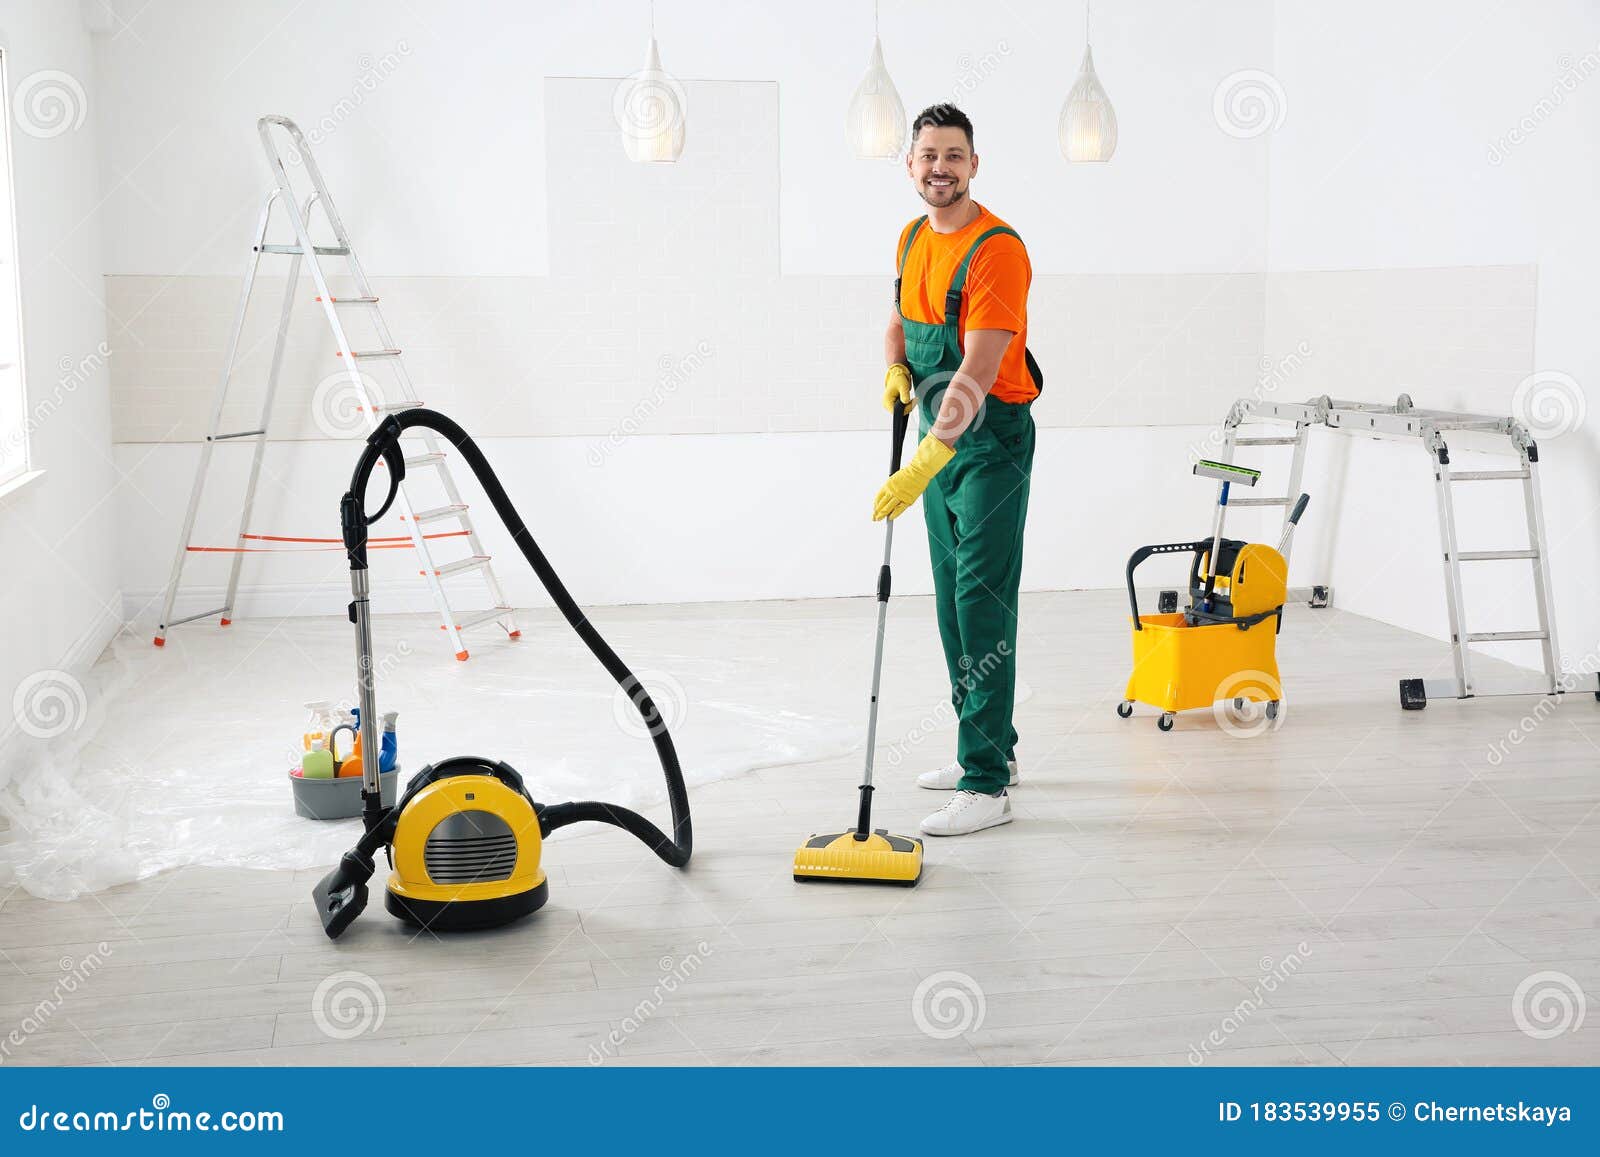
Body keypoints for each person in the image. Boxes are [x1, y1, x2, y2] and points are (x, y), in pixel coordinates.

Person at [874, 103, 1041, 837]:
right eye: (927, 154)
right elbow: (897, 320)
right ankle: (989, 750)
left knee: (981, 605)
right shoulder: (913, 237)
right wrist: (893, 371)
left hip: (988, 443)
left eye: (953, 155)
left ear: (975, 164)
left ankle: (985, 787)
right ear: (910, 165)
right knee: (949, 603)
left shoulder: (997, 249)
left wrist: (923, 464)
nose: (939, 166)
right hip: (939, 442)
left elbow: (976, 371)